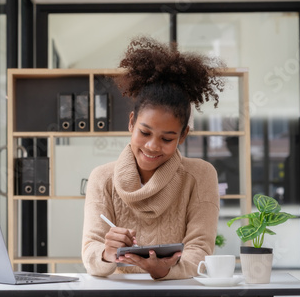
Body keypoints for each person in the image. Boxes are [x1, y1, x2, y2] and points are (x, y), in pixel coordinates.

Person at [81, 36, 225, 280]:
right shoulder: (103, 177)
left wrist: (166, 270)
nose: (152, 146)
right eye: (144, 132)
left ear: (183, 135)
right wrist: (107, 252)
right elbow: (90, 255)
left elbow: (200, 250)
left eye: (167, 138)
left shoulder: (200, 175)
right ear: (131, 123)